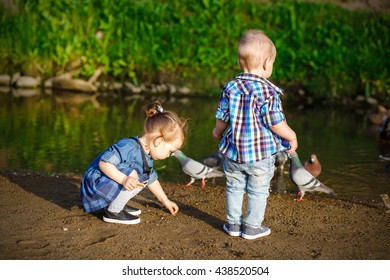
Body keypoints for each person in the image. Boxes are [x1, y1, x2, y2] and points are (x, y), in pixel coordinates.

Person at [212, 30, 298, 240]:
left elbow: (222, 116)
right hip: (260, 155)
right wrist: (292, 136)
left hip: (233, 153)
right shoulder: (268, 92)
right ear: (267, 63)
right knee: (258, 191)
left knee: (234, 187)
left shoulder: (230, 88)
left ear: (240, 61)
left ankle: (232, 224)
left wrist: (218, 131)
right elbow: (275, 123)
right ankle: (251, 227)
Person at [80, 101, 188, 225]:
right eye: (170, 150)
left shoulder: (146, 156)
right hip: (94, 187)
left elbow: (151, 180)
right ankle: (113, 212)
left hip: (105, 187)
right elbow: (104, 164)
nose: (169, 155)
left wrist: (165, 200)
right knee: (133, 174)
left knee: (145, 175)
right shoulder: (128, 146)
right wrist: (124, 179)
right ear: (159, 141)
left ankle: (116, 204)